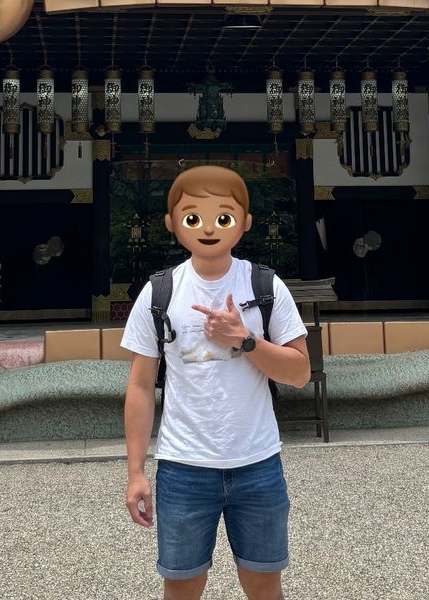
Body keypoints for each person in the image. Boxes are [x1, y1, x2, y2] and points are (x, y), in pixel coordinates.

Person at [121, 166, 310, 600]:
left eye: (223, 217)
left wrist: (244, 340)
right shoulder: (159, 293)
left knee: (264, 584)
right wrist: (135, 471)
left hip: (257, 463)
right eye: (193, 218)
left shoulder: (265, 286)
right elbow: (139, 385)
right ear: (172, 224)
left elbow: (299, 371)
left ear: (244, 223)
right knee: (182, 585)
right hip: (183, 466)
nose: (208, 228)